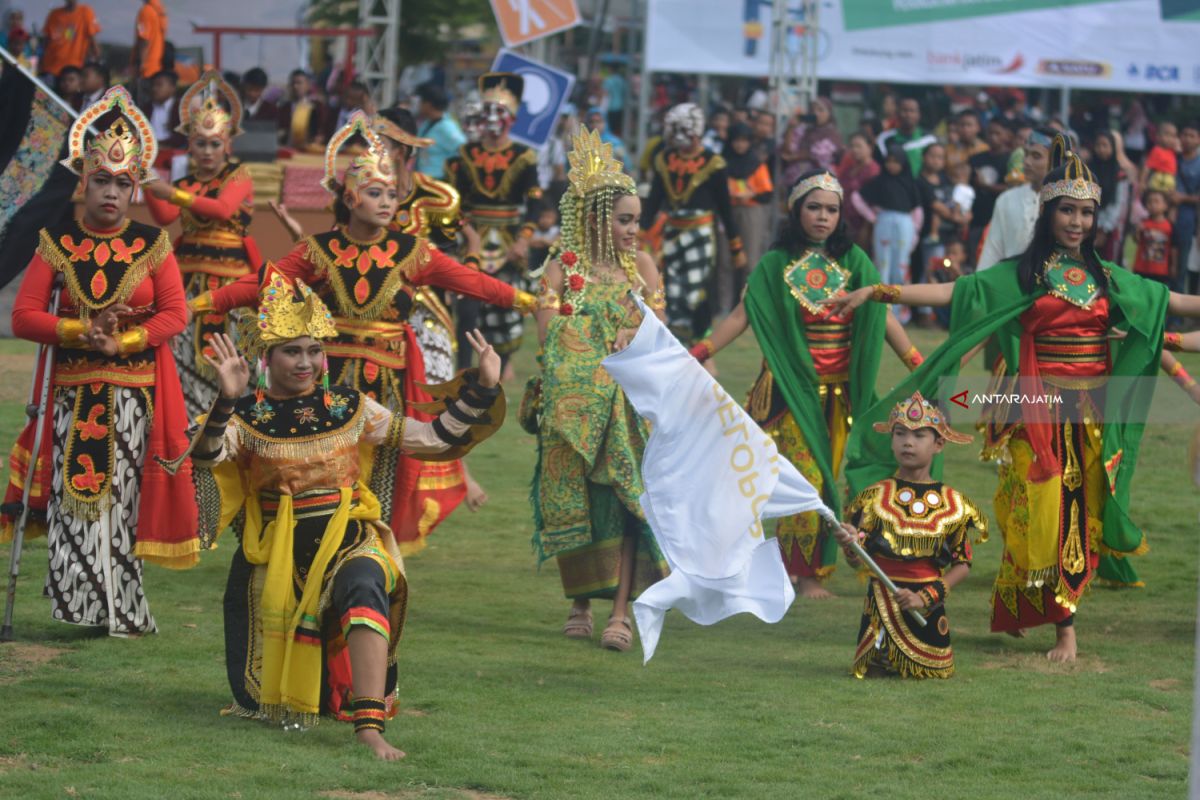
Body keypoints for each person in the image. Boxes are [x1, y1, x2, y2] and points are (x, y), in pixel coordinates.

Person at [829, 134, 1200, 661]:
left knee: (1077, 520)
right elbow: (957, 293)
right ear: (1048, 213)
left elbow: (1173, 302)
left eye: (1086, 213)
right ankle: (1046, 616)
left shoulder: (1106, 278)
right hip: (1034, 414)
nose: (1076, 222)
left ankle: (1063, 626)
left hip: (1091, 417)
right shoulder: (1022, 276)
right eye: (1067, 210)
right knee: (1037, 513)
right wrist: (879, 292)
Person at [187, 278, 504, 761]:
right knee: (284, 703)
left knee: (365, 583)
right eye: (292, 352)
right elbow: (207, 456)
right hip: (277, 553)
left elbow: (432, 438)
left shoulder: (350, 407)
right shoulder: (246, 417)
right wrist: (226, 399)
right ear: (266, 358)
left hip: (349, 535)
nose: (306, 363)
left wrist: (481, 388)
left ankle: (370, 727)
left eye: (314, 350)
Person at [199, 112, 531, 550]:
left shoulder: (411, 251)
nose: (387, 202)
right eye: (375, 193)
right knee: (318, 473)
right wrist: (201, 303)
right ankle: (304, 553)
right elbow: (265, 281)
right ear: (351, 199)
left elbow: (472, 282)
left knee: (382, 480)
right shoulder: (321, 250)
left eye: (392, 193)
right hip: (326, 381)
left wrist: (528, 300)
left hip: (387, 383)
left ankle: (374, 559)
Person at [0, 87, 198, 635]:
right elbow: (23, 316)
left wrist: (125, 342)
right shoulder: (55, 241)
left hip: (133, 394)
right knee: (73, 502)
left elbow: (174, 314)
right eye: (102, 181)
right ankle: (81, 605)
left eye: (122, 183)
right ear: (83, 182)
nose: (111, 193)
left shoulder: (151, 244)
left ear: (136, 190)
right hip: (69, 391)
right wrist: (81, 330)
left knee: (120, 505)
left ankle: (120, 611)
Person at [691, 170, 924, 597]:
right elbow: (744, 316)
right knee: (807, 478)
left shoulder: (854, 260)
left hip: (842, 393)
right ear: (796, 211)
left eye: (831, 209)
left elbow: (881, 315)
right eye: (814, 207)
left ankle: (816, 571)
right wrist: (700, 353)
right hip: (789, 392)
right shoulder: (775, 264)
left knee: (839, 478)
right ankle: (796, 573)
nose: (823, 217)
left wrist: (917, 363)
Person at [531, 128, 668, 650]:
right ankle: (580, 601)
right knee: (580, 502)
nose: (636, 230)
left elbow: (661, 338)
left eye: (637, 219)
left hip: (629, 407)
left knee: (626, 503)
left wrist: (638, 333)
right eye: (625, 219)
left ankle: (620, 613)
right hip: (574, 407)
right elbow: (548, 341)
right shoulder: (561, 269)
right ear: (595, 219)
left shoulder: (644, 269)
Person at [834, 391, 985, 679]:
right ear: (890, 440)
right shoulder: (874, 498)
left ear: (939, 443)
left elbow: (962, 564)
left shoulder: (953, 503)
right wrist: (850, 544)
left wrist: (925, 597)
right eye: (900, 433)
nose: (908, 442)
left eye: (919, 436)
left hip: (927, 613)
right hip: (881, 605)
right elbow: (857, 561)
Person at [143, 71, 260, 420]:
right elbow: (164, 216)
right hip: (187, 284)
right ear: (189, 145)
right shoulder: (184, 182)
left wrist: (172, 192)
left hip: (232, 288)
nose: (207, 151)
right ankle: (187, 427)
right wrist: (149, 181)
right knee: (181, 359)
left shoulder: (239, 176)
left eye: (215, 143)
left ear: (228, 145)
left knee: (236, 358)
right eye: (200, 143)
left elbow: (223, 209)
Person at [445, 73, 542, 375]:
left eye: (498, 112)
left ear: (511, 118)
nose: (491, 118)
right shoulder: (465, 155)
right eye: (486, 111)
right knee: (468, 302)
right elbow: (453, 201)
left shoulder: (524, 157)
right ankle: (462, 367)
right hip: (473, 234)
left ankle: (504, 363)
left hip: (509, 238)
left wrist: (524, 239)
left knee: (505, 302)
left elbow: (535, 201)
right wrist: (464, 232)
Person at [640, 103, 745, 347]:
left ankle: (699, 345)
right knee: (672, 290)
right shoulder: (664, 159)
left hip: (700, 235)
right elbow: (654, 199)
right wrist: (641, 231)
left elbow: (725, 207)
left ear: (693, 131)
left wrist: (735, 246)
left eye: (677, 129)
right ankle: (677, 344)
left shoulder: (713, 162)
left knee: (696, 291)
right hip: (672, 233)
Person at [852, 144, 922, 323]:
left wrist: (915, 233)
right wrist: (873, 216)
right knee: (882, 264)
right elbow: (857, 197)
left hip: (905, 226)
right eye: (889, 161)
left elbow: (917, 210)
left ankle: (900, 313)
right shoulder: (880, 181)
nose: (892, 166)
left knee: (901, 267)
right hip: (884, 222)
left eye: (896, 162)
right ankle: (880, 310)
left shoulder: (909, 183)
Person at [977, 128, 1054, 271]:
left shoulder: (1066, 203)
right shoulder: (1007, 199)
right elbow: (992, 251)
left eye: (1036, 156)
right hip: (1011, 285)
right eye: (1026, 154)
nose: (1027, 162)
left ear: (1055, 161)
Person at [721, 122, 773, 311]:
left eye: (744, 141)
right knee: (724, 261)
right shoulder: (720, 163)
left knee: (751, 260)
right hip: (726, 211)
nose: (740, 145)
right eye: (736, 141)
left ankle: (748, 306)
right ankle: (723, 307)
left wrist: (750, 194)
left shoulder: (756, 164)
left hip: (752, 212)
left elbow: (767, 193)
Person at [1089, 130, 1137, 263]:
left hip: (1109, 227)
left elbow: (1118, 203)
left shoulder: (1119, 174)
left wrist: (1104, 229)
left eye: (1105, 145)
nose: (1101, 149)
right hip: (1088, 224)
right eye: (1098, 145)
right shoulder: (1087, 170)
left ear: (1113, 148)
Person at [781, 97, 843, 186]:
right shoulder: (804, 129)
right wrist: (791, 128)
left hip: (820, 182)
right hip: (796, 180)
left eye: (820, 110)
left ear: (829, 114)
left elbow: (820, 154)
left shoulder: (832, 134)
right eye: (812, 110)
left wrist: (797, 157)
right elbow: (789, 149)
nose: (816, 113)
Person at [835, 131, 881, 248]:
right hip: (846, 224)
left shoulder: (873, 171)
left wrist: (866, 228)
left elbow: (873, 205)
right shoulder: (849, 168)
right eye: (852, 146)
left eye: (859, 146)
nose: (855, 150)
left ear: (870, 147)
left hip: (864, 227)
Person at [414, 82, 465, 180]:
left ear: (428, 104)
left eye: (421, 102)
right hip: (423, 179)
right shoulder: (427, 123)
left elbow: (462, 148)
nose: (419, 105)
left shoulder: (447, 127)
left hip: (439, 180)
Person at [876, 96, 937, 176]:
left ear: (919, 114)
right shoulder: (884, 139)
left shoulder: (929, 139)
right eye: (904, 110)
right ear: (897, 113)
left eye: (912, 111)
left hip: (921, 186)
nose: (908, 114)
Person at [39, 0, 100, 79]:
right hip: (51, 67)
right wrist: (40, 61)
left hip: (74, 68)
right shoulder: (54, 14)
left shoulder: (86, 12)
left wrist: (96, 60)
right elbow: (46, 40)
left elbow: (92, 39)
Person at [1174, 121, 1200, 295]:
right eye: (1184, 134)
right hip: (1169, 216)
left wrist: (1182, 198)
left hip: (1189, 218)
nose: (1187, 139)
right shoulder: (1171, 158)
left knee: (1184, 263)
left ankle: (1180, 312)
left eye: (1192, 135)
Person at [277, 69, 326, 152]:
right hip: (288, 150)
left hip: (309, 151)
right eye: (293, 83)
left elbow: (322, 130)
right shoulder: (284, 108)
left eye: (299, 83)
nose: (296, 87)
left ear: (308, 85)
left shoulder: (316, 107)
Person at [1133, 189, 1175, 285]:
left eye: (1156, 201)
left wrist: (1173, 266)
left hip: (1161, 271)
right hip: (1142, 268)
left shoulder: (1169, 226)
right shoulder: (1143, 223)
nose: (1152, 205)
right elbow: (1137, 240)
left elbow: (1173, 248)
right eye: (1149, 202)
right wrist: (1137, 231)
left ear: (1165, 205)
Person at [140, 69, 185, 149]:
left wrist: (160, 145)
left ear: (172, 88)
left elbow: (182, 137)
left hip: (172, 152)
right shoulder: (146, 109)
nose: (154, 89)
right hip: (147, 150)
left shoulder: (180, 109)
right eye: (153, 85)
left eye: (159, 85)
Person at [133, 0, 168, 88]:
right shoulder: (160, 10)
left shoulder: (146, 11)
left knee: (141, 99)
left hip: (146, 68)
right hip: (157, 67)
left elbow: (144, 39)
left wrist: (141, 63)